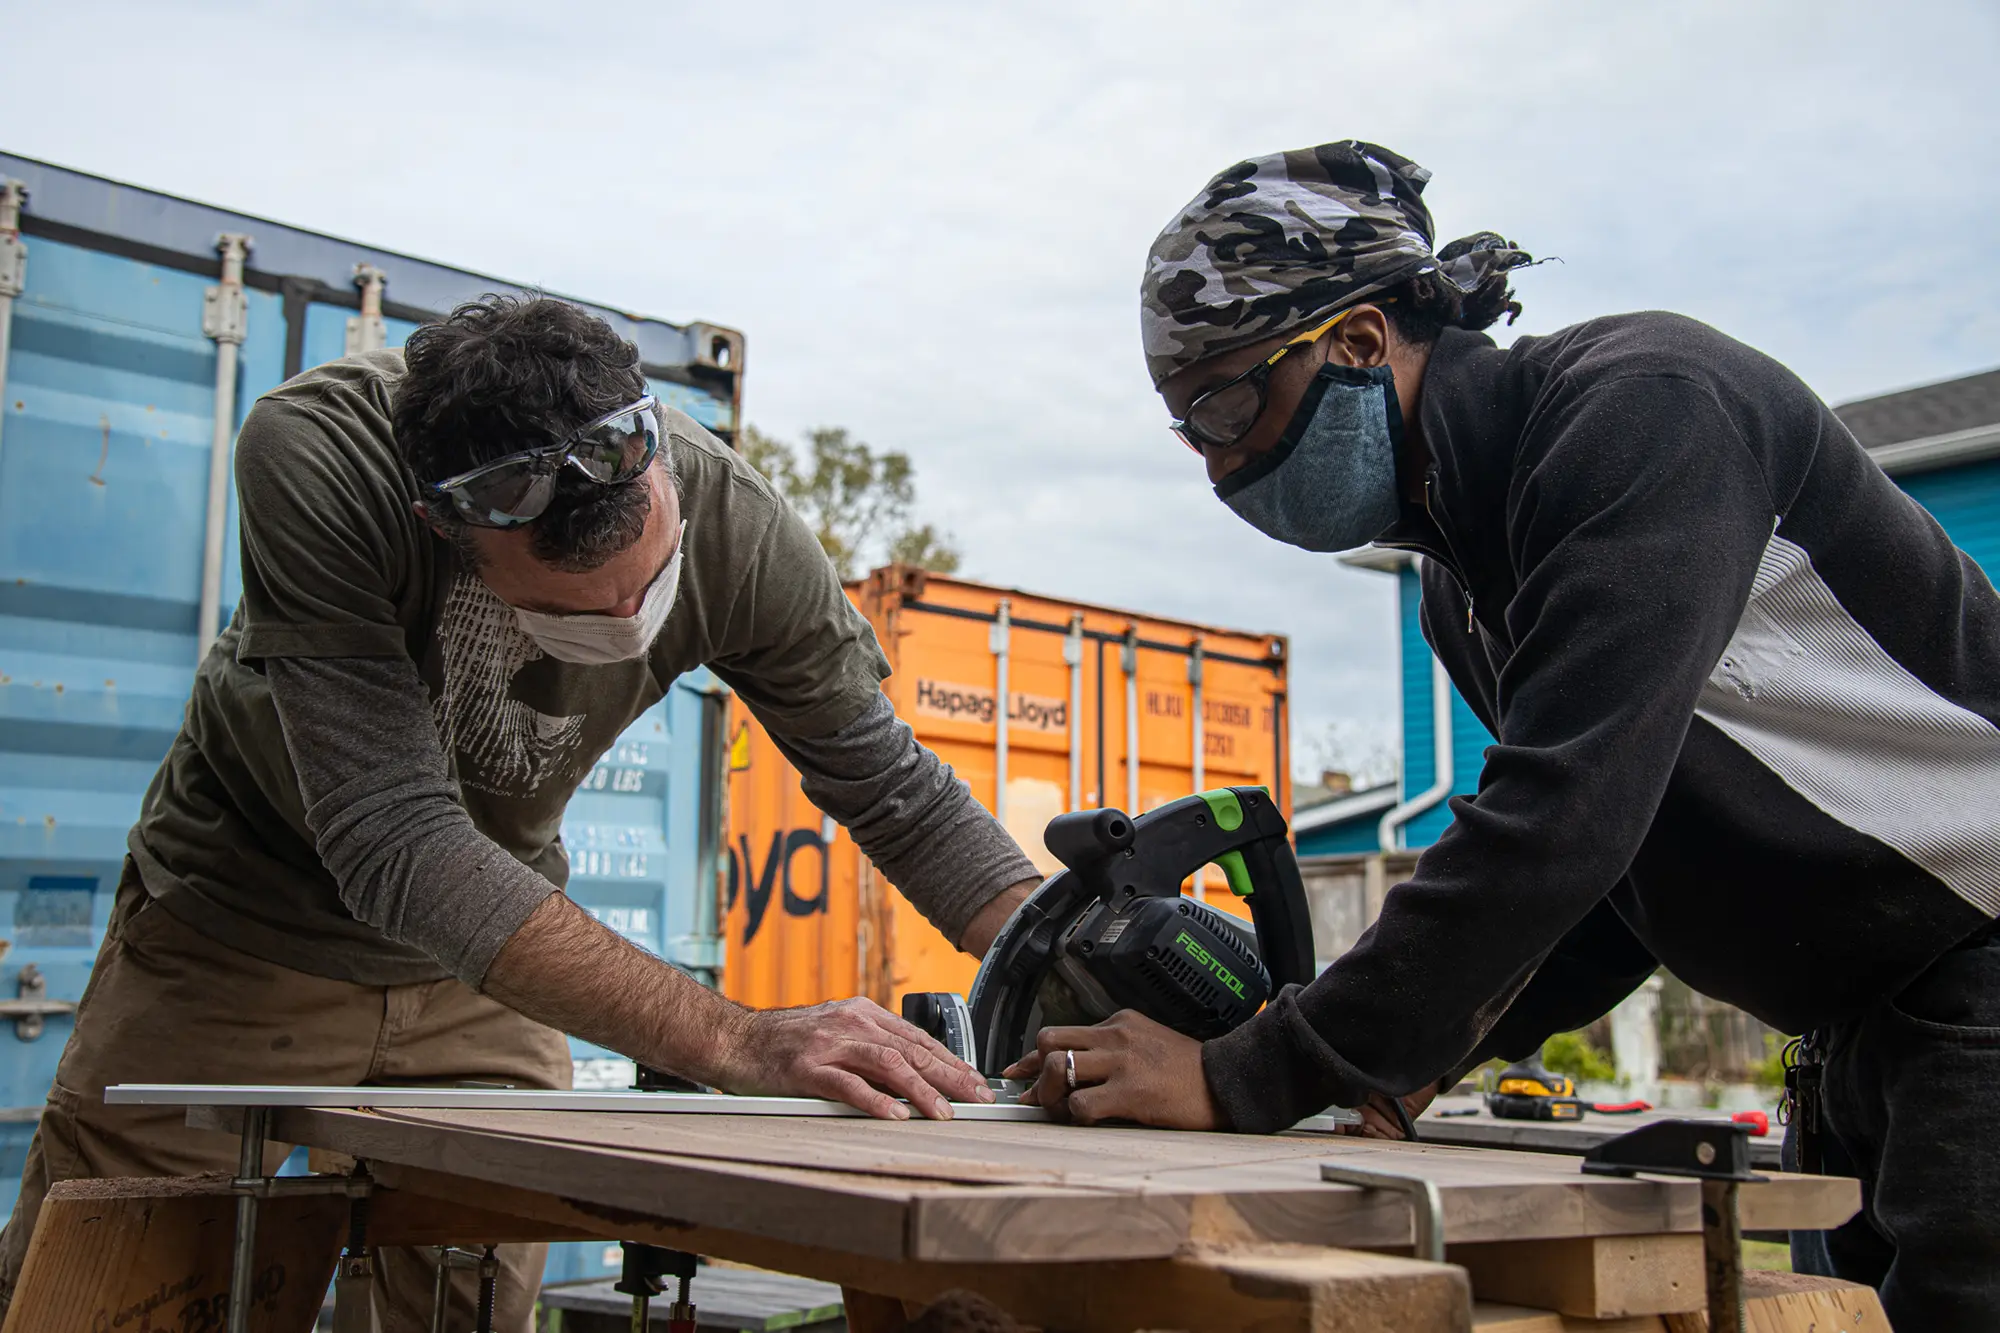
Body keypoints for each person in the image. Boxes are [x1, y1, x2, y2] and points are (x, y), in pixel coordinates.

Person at [1004, 140, 2000, 1330]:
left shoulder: (1646, 411)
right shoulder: (1458, 581)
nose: (1219, 463)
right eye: (1189, 427)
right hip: (1867, 1021)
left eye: (1225, 402)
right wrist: (1412, 1058)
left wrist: (1249, 1071)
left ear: (1360, 341)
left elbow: (1559, 821)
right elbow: (1610, 883)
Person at [0, 296, 1042, 1329]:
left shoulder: (732, 519)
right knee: (112, 1294)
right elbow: (396, 841)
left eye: (650, 584)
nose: (627, 622)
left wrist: (1080, 961)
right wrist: (736, 1040)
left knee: (471, 1299)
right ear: (443, 525)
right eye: (566, 611)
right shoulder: (323, 456)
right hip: (239, 933)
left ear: (662, 478)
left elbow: (897, 793)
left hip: (484, 970)